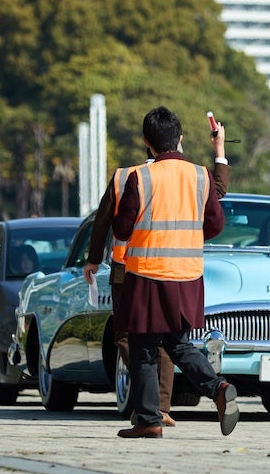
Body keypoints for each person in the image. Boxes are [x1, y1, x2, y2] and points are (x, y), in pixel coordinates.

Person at [87, 119, 231, 430]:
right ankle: (217, 387)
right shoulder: (200, 175)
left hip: (148, 273)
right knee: (179, 345)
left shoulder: (139, 177)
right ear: (180, 137)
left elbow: (122, 227)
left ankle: (149, 420)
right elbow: (216, 224)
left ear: (146, 141)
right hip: (188, 276)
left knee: (142, 347)